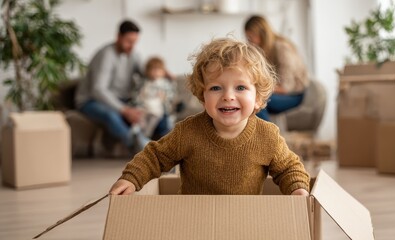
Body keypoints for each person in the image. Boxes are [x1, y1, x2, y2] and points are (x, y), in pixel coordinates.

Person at [109, 38, 310, 196]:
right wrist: (131, 178)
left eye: (240, 87)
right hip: (195, 222)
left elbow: (288, 168)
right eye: (216, 88)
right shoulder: (187, 132)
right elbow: (155, 157)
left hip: (245, 223)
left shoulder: (268, 136)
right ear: (203, 97)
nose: (228, 96)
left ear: (257, 98)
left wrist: (297, 188)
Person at [75, 20, 154, 153]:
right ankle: (141, 148)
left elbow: (145, 73)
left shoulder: (133, 54)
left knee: (150, 111)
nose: (132, 46)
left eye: (135, 42)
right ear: (118, 37)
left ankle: (168, 149)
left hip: (120, 100)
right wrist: (124, 110)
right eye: (129, 41)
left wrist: (160, 71)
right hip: (91, 101)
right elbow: (98, 90)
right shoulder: (106, 55)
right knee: (112, 115)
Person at [244, 15, 309, 122]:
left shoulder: (282, 47)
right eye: (248, 38)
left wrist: (259, 87)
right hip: (278, 93)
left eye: (251, 37)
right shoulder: (265, 50)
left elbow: (286, 87)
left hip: (294, 95)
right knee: (252, 98)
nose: (250, 42)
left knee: (257, 100)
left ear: (261, 34)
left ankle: (269, 136)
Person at [132, 56, 176, 140]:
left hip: (157, 109)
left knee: (160, 120)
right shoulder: (144, 82)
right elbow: (137, 94)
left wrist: (165, 96)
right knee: (140, 119)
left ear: (163, 72)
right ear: (147, 71)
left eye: (158, 70)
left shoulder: (165, 83)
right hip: (144, 107)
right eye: (153, 69)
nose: (155, 72)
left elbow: (171, 95)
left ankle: (147, 135)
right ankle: (139, 134)